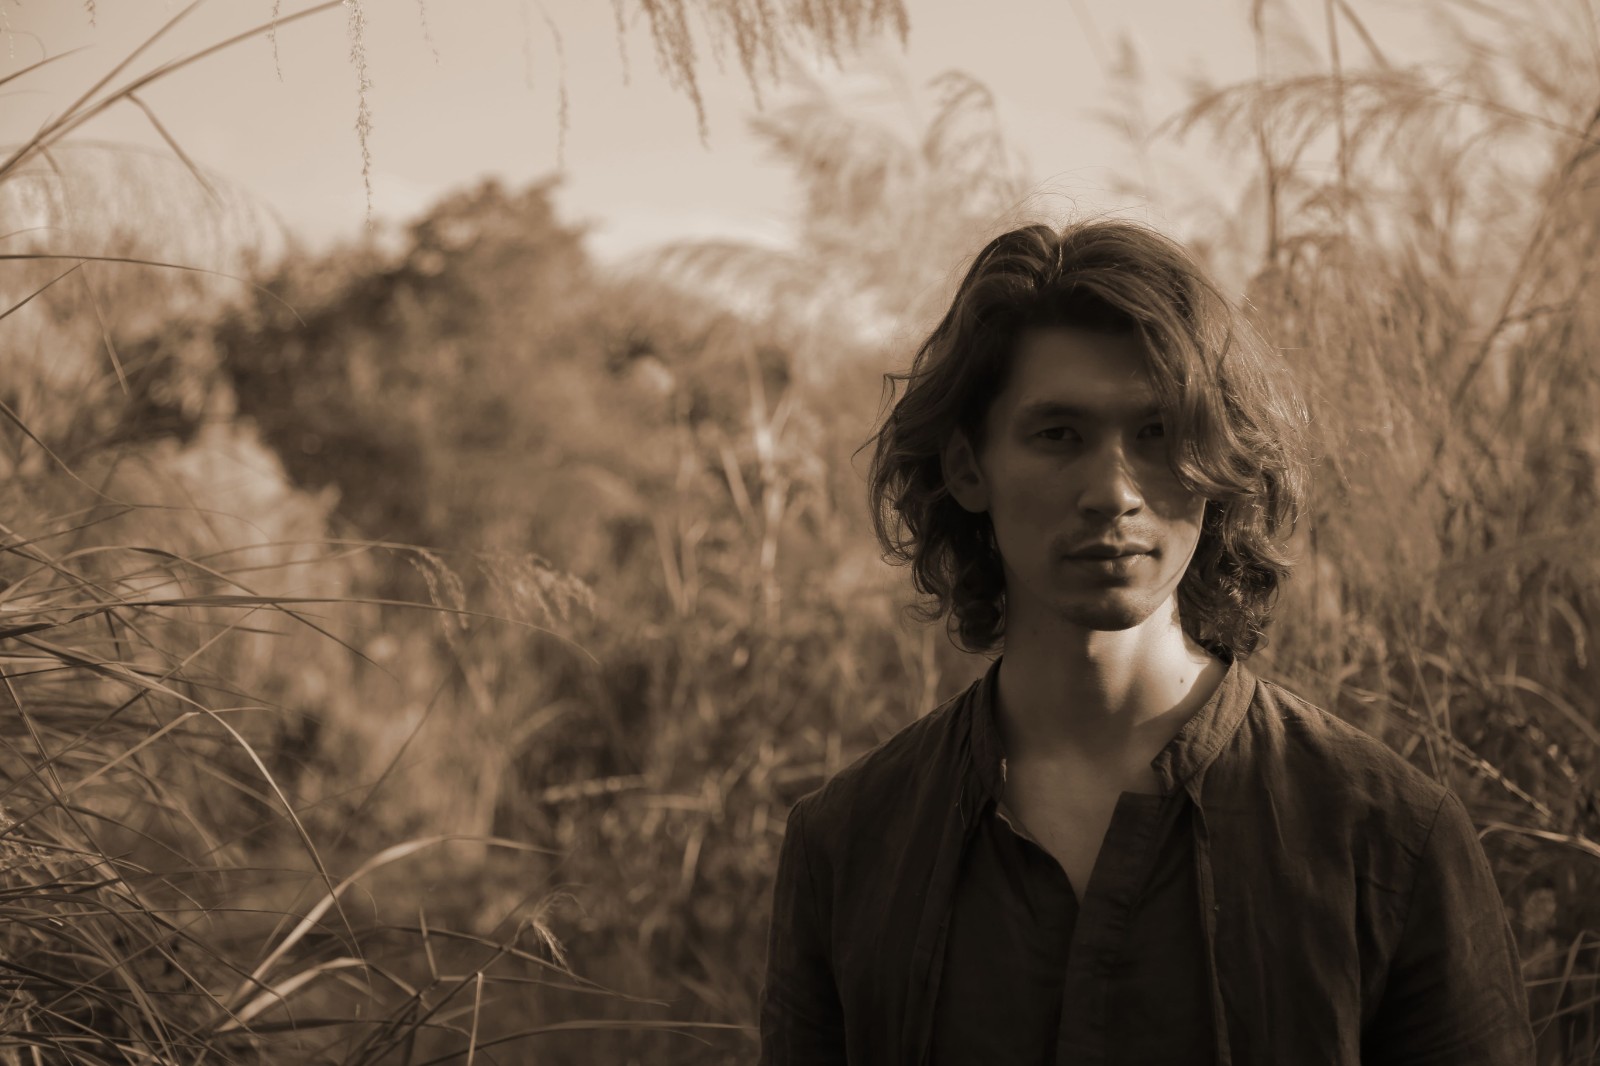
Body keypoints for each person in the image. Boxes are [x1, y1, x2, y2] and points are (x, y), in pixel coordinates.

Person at [756, 220, 1536, 1065]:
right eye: (1059, 434)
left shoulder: (1384, 838)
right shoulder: (851, 845)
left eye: (1159, 433)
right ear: (967, 468)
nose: (1113, 491)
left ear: (1216, 460)